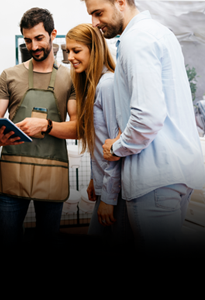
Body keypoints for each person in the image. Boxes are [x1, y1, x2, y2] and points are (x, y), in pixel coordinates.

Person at [83, 0, 205, 252]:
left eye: (98, 13)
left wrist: (116, 147)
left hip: (153, 176)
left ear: (120, 3)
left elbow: (147, 115)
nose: (94, 22)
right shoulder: (162, 33)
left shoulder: (135, 39)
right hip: (178, 173)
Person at [0, 7, 77, 252]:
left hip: (52, 175)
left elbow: (77, 127)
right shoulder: (9, 76)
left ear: (52, 34)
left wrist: (45, 125)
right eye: (27, 40)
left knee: (47, 246)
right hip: (13, 175)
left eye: (39, 38)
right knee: (5, 246)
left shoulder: (70, 79)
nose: (33, 46)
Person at [65, 23, 133, 249]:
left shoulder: (108, 84)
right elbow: (98, 141)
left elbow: (115, 148)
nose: (70, 57)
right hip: (106, 186)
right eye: (68, 51)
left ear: (94, 50)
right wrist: (96, 179)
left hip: (117, 192)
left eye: (76, 51)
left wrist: (109, 198)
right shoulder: (93, 86)